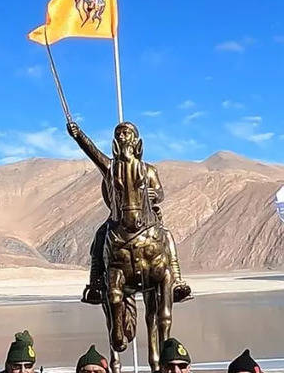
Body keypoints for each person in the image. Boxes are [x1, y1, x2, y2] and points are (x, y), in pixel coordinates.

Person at [66, 120, 191, 304]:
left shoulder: (148, 169)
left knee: (167, 236)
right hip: (119, 217)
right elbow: (92, 152)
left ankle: (177, 281)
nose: (121, 136)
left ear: (135, 139)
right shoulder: (111, 167)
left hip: (145, 218)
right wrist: (79, 136)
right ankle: (96, 283)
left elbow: (160, 192)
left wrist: (153, 194)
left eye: (125, 133)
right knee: (100, 236)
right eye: (118, 134)